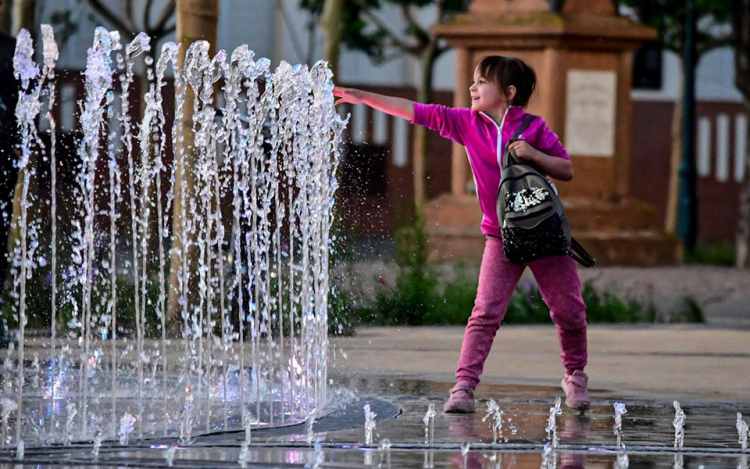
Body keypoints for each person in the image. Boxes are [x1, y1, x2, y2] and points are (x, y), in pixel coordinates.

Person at [333, 55, 590, 413]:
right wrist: (363, 96)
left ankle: (575, 376)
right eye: (474, 80)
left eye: (482, 81)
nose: (473, 87)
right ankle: (464, 388)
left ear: (508, 92)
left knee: (569, 311)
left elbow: (566, 169)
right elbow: (414, 110)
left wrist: (533, 155)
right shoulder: (466, 123)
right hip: (501, 237)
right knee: (485, 312)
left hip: (544, 233)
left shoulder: (534, 127)